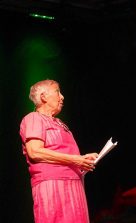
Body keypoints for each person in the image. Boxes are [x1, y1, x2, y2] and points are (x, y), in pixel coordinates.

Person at [19, 79, 98, 223]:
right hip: (53, 186)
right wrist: (76, 160)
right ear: (43, 96)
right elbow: (35, 151)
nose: (62, 97)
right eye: (57, 92)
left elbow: (65, 152)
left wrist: (82, 158)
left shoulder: (60, 123)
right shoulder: (34, 118)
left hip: (74, 185)